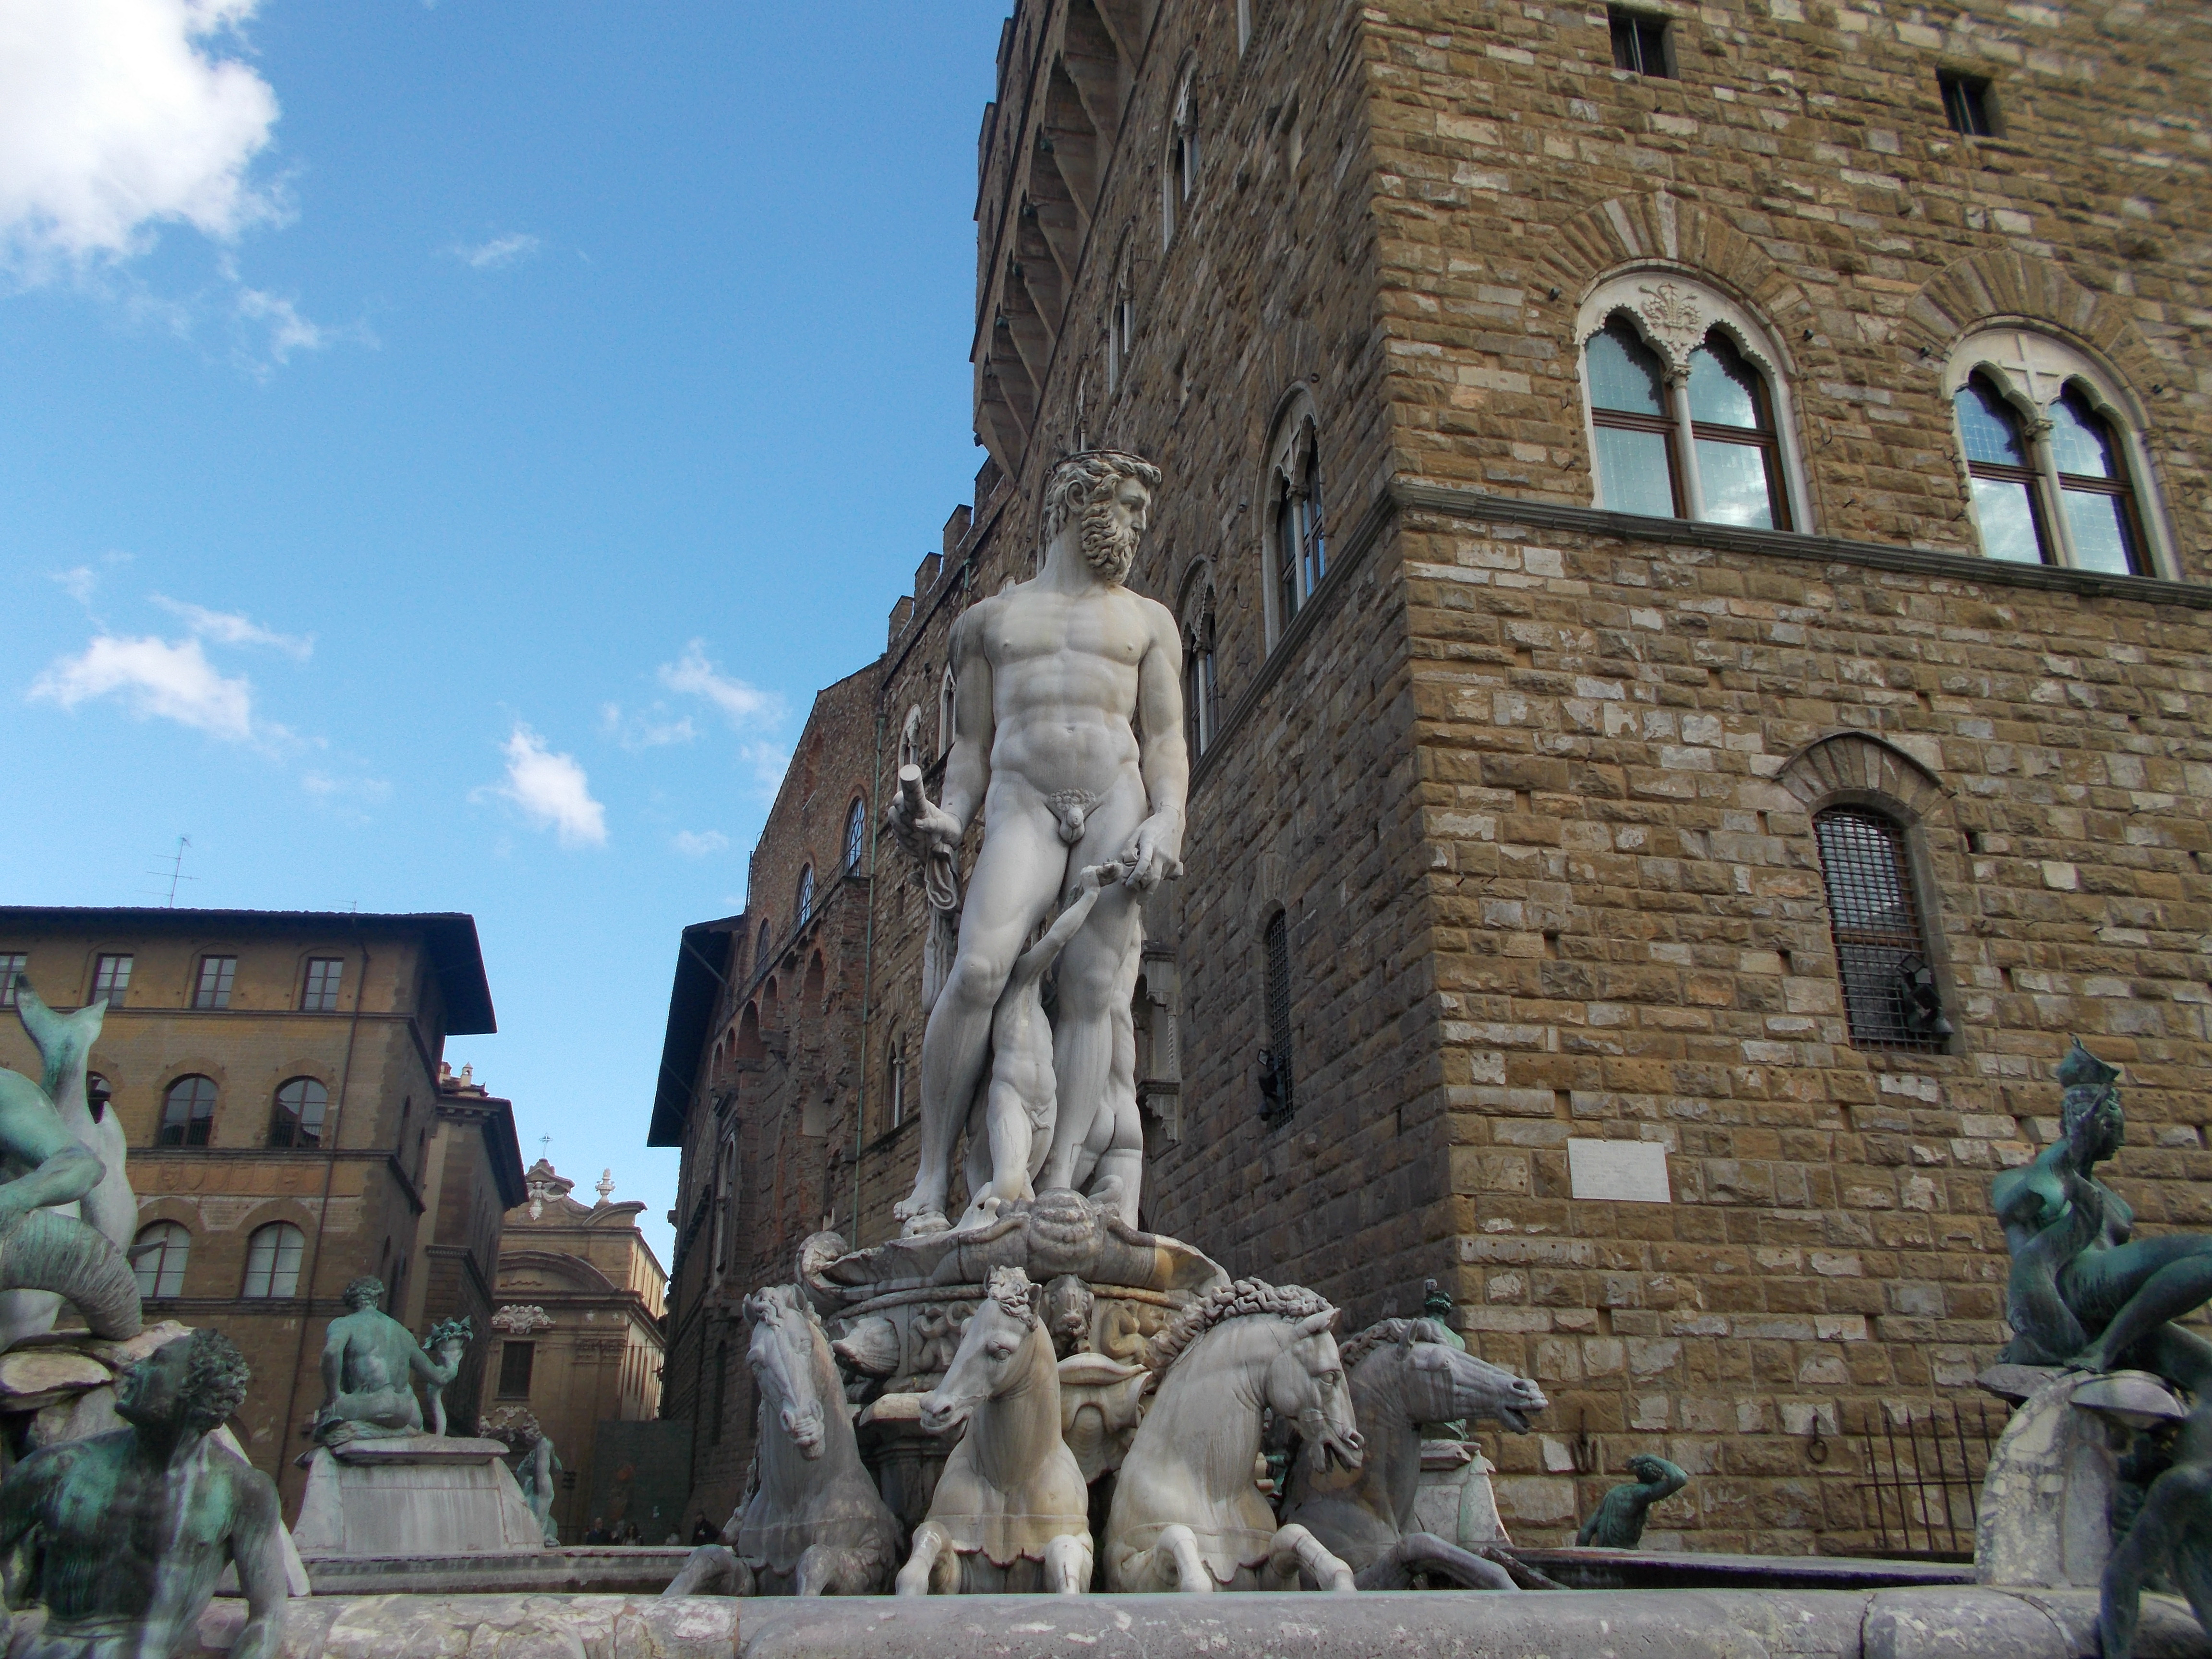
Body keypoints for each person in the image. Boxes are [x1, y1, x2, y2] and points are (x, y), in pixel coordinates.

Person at [889, 450, 1186, 1235]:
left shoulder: (1149, 621)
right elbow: (972, 755)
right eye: (1122, 508)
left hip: (1115, 801)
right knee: (979, 968)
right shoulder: (986, 623)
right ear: (1074, 506)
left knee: (1095, 992)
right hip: (1021, 801)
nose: (1131, 529)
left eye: (1137, 515)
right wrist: (944, 819)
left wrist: (1167, 818)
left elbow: (1163, 742)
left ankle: (1056, 1184)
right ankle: (928, 1179)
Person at [0, 1329, 287, 1659]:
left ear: (194, 1389)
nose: (133, 1370)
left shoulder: (243, 1492)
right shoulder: (57, 1470)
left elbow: (268, 1616)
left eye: (158, 1362)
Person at [1993, 1042, 2212, 1395]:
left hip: (2108, 1308)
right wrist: (2070, 1148)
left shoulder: (2117, 1205)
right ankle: (2106, 1348)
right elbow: (2023, 1207)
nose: (2117, 1134)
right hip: (2065, 1289)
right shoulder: (2019, 1179)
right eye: (2109, 1118)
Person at [954, 862, 1123, 1228]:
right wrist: (1090, 894)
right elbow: (1057, 939)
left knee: (1033, 1200)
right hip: (1012, 1097)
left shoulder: (1043, 1002)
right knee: (1010, 1186)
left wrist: (1078, 891)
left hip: (1046, 1108)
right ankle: (975, 1229)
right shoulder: (1017, 977)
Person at [312, 1277, 463, 1445]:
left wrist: (334, 1395)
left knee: (325, 1415)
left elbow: (331, 1352)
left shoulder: (344, 1323)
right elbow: (439, 1377)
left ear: (352, 1304)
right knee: (409, 1393)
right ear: (376, 1300)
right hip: (405, 1410)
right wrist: (452, 1363)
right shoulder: (403, 1333)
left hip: (371, 1406)